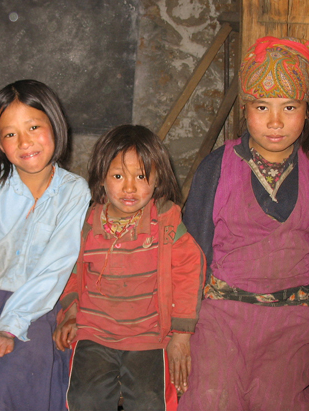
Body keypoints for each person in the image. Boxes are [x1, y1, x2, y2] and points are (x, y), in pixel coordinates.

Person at [179, 36, 309, 411]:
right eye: (262, 106)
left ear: (306, 111)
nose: (276, 121)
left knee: (281, 400)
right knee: (211, 400)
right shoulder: (216, 168)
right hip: (220, 321)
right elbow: (189, 258)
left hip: (293, 325)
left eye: (289, 107)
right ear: (245, 110)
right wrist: (179, 331)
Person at [0, 79, 91, 411]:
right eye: (10, 134)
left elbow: (54, 270)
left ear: (56, 124)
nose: (25, 141)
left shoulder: (74, 191)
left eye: (34, 126)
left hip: (39, 307)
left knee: (11, 380)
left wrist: (9, 328)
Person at [54, 125, 205, 411]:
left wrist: (181, 334)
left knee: (151, 403)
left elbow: (189, 269)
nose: (129, 188)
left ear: (158, 179)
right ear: (101, 178)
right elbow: (70, 270)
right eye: (118, 176)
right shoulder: (85, 223)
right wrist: (71, 311)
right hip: (94, 333)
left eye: (141, 176)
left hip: (148, 336)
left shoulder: (166, 224)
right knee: (83, 399)